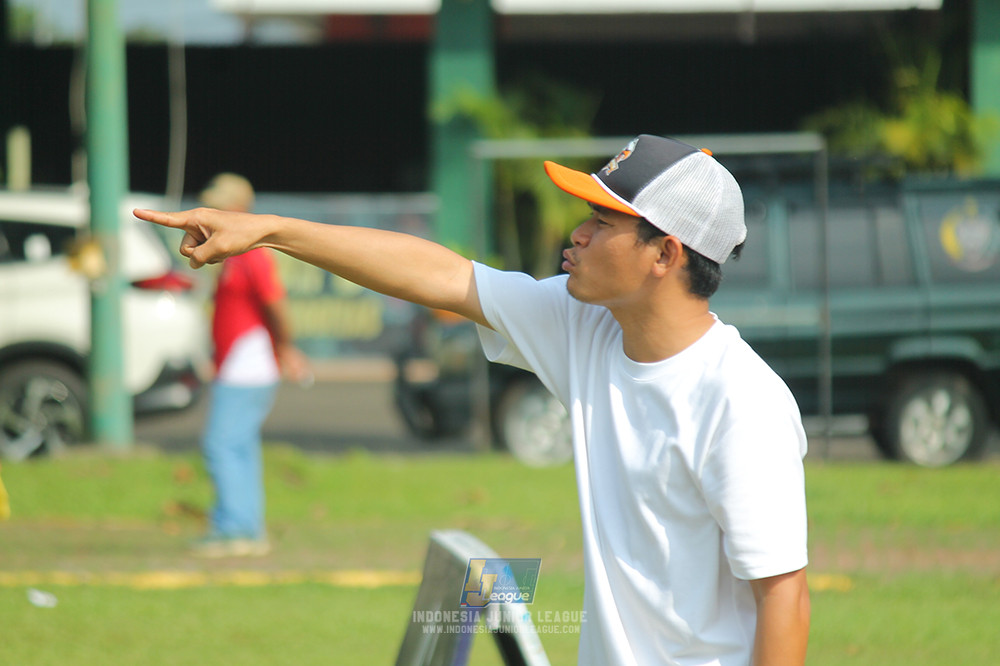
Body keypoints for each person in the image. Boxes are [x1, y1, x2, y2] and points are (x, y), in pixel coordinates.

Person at [136, 135, 809, 664]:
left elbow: (785, 598)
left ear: (664, 255)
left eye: (601, 223)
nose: (576, 235)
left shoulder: (740, 402)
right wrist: (269, 229)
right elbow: (442, 276)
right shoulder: (588, 329)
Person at [190, 173, 310, 558]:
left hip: (248, 363)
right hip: (238, 362)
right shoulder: (230, 255)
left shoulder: (252, 254)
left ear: (238, 209)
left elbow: (277, 303)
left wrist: (287, 347)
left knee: (220, 445)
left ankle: (234, 530)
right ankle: (246, 528)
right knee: (239, 446)